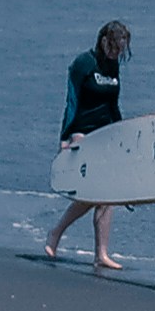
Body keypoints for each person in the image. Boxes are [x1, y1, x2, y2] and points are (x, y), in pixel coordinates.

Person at [44, 20, 134, 269]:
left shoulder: (112, 65)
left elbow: (113, 104)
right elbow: (72, 100)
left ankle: (100, 253)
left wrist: (121, 132)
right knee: (94, 192)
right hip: (83, 133)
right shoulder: (83, 63)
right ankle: (56, 233)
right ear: (104, 41)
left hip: (106, 133)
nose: (116, 53)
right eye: (114, 48)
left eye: (120, 50)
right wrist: (64, 137)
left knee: (106, 196)